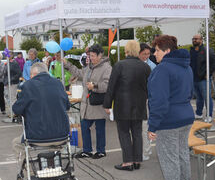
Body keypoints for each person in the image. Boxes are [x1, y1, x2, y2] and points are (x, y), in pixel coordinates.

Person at [147, 35, 194, 180]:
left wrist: (153, 125)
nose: (154, 53)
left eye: (157, 50)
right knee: (182, 153)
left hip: (169, 119)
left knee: (169, 158)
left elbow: (159, 101)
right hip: (185, 116)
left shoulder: (163, 69)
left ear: (167, 51)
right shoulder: (186, 67)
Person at [12, 62, 70, 167]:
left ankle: (26, 171)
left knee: (16, 143)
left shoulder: (28, 85)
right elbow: (67, 106)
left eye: (30, 75)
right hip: (62, 134)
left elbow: (16, 109)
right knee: (54, 145)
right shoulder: (58, 83)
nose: (30, 77)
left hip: (37, 136)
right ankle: (55, 168)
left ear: (34, 74)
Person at [103, 41, 150, 171]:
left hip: (122, 105)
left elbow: (111, 87)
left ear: (127, 50)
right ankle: (137, 160)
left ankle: (127, 162)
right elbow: (148, 88)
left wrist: (107, 104)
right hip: (139, 105)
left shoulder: (119, 65)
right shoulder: (145, 67)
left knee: (124, 133)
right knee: (137, 133)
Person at [64, 44, 112, 159]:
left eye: (93, 56)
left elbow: (107, 85)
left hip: (98, 103)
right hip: (87, 104)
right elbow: (79, 73)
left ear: (100, 55)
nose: (91, 58)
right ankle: (87, 150)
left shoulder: (107, 68)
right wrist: (67, 65)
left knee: (99, 128)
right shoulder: (89, 67)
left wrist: (94, 86)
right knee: (84, 126)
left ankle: (101, 150)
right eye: (90, 56)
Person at [189, 34, 215, 122]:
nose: (194, 40)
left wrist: (208, 73)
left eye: (196, 39)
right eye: (193, 39)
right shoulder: (191, 51)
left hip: (203, 79)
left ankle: (209, 115)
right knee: (199, 98)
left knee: (207, 97)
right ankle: (199, 114)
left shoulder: (207, 50)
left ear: (201, 40)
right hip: (194, 78)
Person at [139, 43, 156, 160]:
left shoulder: (152, 66)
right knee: (141, 127)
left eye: (148, 54)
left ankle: (146, 150)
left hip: (147, 99)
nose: (146, 56)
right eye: (144, 54)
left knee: (145, 126)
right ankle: (145, 149)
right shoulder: (135, 64)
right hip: (138, 98)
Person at [3, 52, 22, 123]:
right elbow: (5, 73)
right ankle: (11, 112)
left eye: (9, 55)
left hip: (13, 83)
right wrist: (4, 81)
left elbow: (19, 73)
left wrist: (11, 80)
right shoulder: (7, 63)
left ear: (12, 56)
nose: (7, 56)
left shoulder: (14, 63)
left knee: (13, 98)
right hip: (7, 84)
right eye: (6, 55)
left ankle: (15, 113)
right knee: (8, 98)